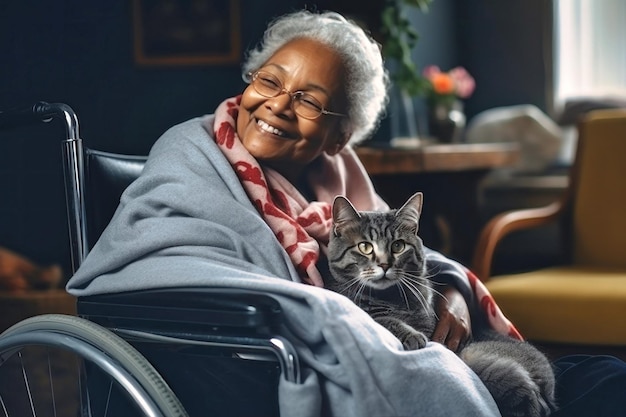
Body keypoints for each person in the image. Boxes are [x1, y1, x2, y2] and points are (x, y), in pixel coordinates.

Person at [66, 9, 626, 417]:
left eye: (309, 100)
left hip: (414, 339)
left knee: (607, 377)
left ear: (339, 136)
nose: (278, 105)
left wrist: (448, 289)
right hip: (277, 361)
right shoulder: (189, 155)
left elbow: (414, 255)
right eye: (269, 81)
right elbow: (161, 264)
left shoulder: (338, 179)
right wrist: (333, 315)